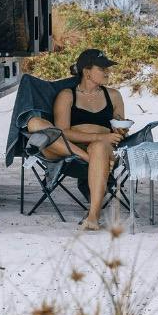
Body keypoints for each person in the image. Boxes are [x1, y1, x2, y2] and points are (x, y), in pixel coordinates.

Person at [33, 48, 127, 230]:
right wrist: (99, 135)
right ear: (87, 72)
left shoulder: (113, 95)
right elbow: (63, 132)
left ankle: (93, 216)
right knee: (47, 132)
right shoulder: (67, 96)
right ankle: (90, 159)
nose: (107, 72)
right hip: (71, 150)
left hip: (104, 148)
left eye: (107, 68)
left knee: (99, 147)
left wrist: (121, 130)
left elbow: (120, 125)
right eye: (102, 68)